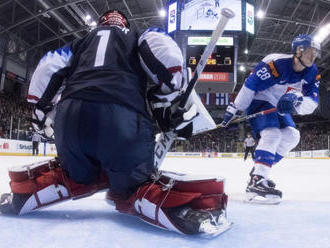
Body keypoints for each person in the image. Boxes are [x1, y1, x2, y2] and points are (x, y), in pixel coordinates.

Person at [0, 9, 230, 236]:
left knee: (76, 173)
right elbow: (161, 50)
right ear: (125, 25)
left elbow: (47, 68)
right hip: (122, 119)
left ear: (99, 24)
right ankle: (184, 209)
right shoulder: (137, 35)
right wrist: (173, 92)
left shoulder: (79, 44)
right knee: (133, 184)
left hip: (71, 120)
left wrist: (41, 112)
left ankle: (26, 192)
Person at [220, 34, 321, 204]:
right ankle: (258, 179)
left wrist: (297, 102)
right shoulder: (275, 63)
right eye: (310, 51)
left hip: (280, 105)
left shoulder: (312, 72)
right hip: (260, 100)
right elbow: (251, 85)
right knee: (272, 134)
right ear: (298, 50)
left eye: (316, 52)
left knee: (292, 136)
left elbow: (312, 102)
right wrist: (236, 107)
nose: (314, 56)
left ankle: (259, 173)